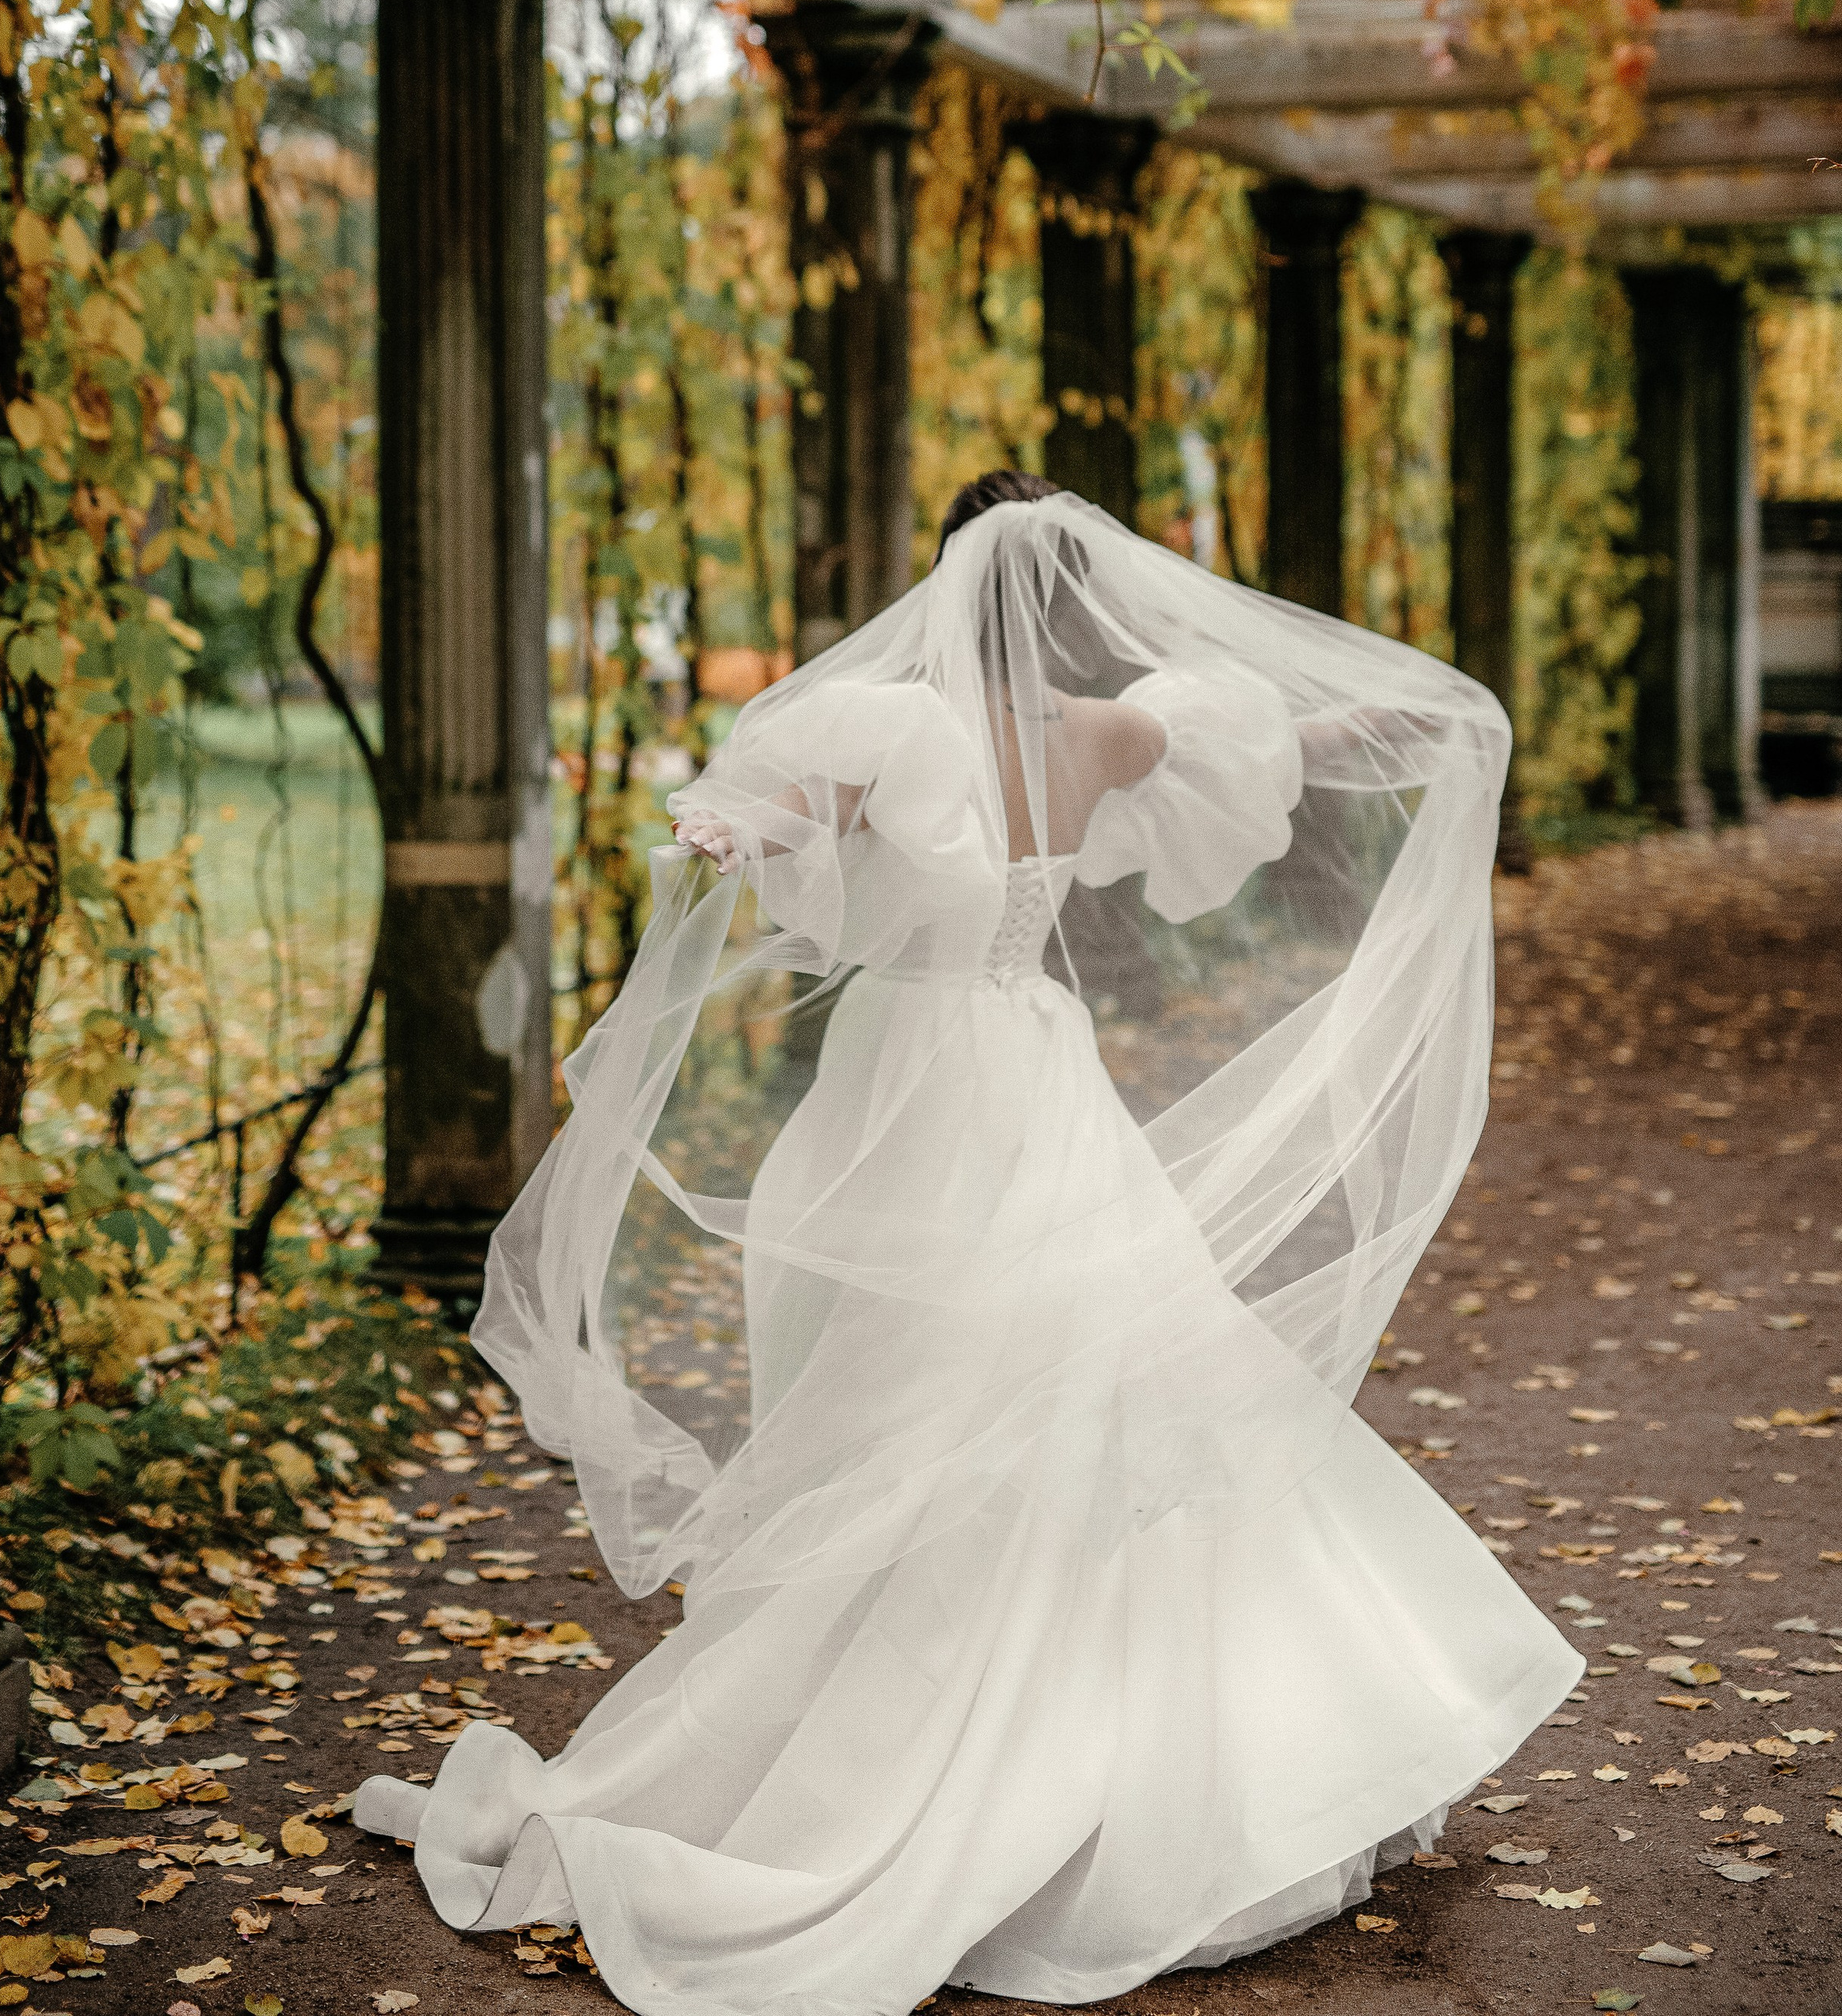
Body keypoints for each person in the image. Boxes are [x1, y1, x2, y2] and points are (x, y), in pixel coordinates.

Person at [356, 474, 1579, 2011]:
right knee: (1082, 1388)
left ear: (940, 582)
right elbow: (1278, 745)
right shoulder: (1103, 733)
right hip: (1037, 1068)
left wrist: (728, 825)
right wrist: (1416, 732)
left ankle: (899, 1730)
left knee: (906, 1397)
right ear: (1072, 599)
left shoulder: (891, 727)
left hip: (909, 1090)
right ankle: (1119, 1744)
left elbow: (775, 819)